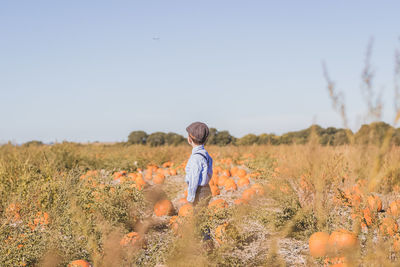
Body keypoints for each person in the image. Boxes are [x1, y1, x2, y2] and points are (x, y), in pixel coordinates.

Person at [185, 122, 213, 207]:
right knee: (202, 214)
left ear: (190, 139)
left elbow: (194, 178)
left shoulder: (196, 158)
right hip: (206, 189)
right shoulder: (205, 154)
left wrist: (191, 197)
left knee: (198, 217)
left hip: (199, 191)